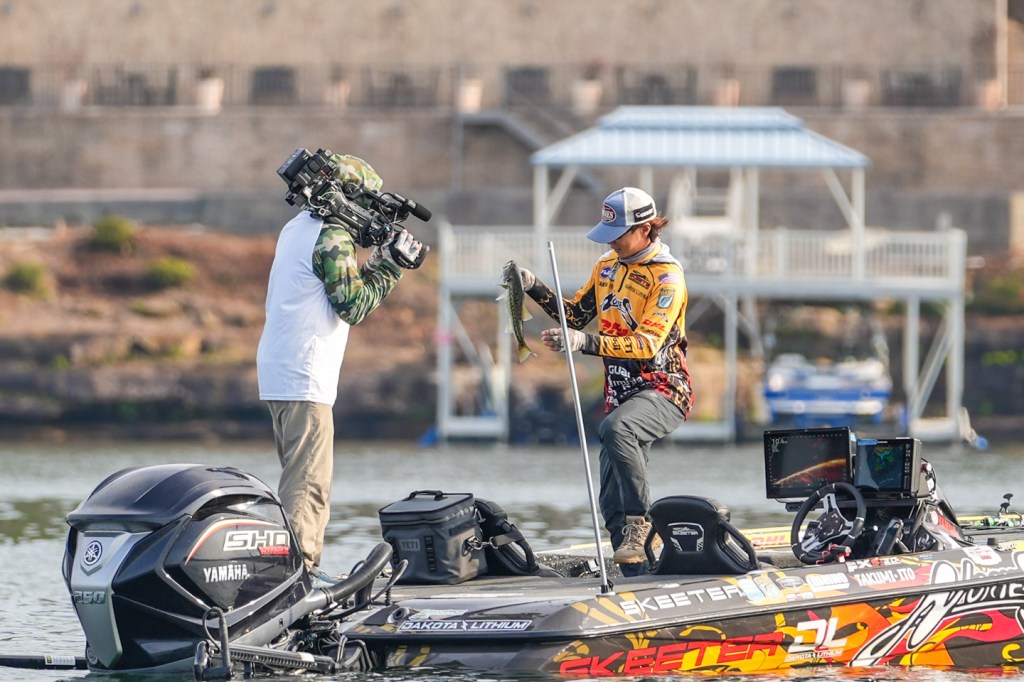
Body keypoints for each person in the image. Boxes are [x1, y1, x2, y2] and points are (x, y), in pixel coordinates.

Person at [256, 153, 425, 586]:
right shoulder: (332, 235)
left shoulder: (298, 228)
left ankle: (289, 571)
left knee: (296, 475)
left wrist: (377, 260)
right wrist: (392, 266)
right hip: (304, 374)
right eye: (366, 202)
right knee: (309, 483)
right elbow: (353, 305)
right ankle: (298, 577)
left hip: (280, 370)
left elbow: (335, 286)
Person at [520, 187, 693, 568]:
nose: (611, 242)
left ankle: (641, 523)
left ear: (646, 230)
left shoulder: (667, 278)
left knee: (618, 429)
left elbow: (646, 345)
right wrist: (533, 286)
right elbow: (575, 316)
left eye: (619, 234)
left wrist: (583, 342)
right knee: (611, 503)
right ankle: (638, 576)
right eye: (608, 234)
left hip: (664, 390)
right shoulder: (606, 267)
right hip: (621, 395)